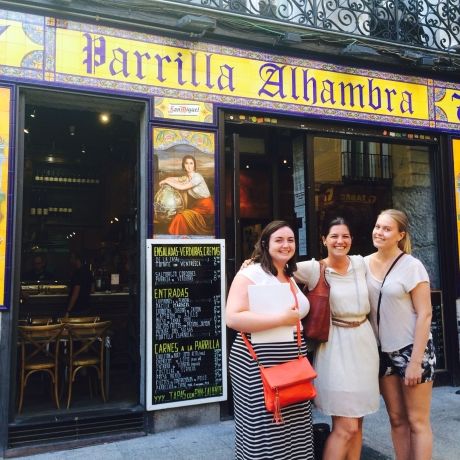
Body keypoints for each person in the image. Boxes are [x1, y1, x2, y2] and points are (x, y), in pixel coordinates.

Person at [226, 220, 314, 460]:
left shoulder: (288, 273)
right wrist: (281, 319)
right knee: (264, 427)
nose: (286, 245)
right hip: (257, 362)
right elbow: (232, 318)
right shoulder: (251, 273)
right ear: (265, 243)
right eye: (279, 240)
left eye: (290, 240)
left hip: (293, 362)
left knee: (295, 426)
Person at [294, 217, 380, 460]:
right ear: (324, 240)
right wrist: (251, 263)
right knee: (346, 427)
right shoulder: (315, 269)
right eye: (334, 236)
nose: (340, 241)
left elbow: (388, 259)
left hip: (364, 345)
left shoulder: (361, 264)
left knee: (358, 424)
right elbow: (278, 267)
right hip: (334, 349)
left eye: (345, 236)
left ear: (351, 239)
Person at [364, 209, 435, 460]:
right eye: (377, 226)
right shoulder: (363, 263)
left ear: (400, 235)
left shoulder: (412, 267)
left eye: (386, 229)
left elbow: (425, 314)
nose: (379, 232)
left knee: (417, 421)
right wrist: (258, 261)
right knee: (396, 419)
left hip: (411, 350)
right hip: (382, 352)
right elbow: (328, 265)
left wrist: (415, 362)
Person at [159, 155, 214, 235]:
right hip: (198, 206)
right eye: (186, 163)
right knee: (180, 216)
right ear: (183, 165)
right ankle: (179, 239)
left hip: (207, 208)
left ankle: (178, 238)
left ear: (194, 165)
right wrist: (165, 180)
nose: (189, 166)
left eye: (191, 163)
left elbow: (182, 187)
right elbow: (176, 179)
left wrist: (166, 182)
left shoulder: (197, 177)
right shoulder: (186, 178)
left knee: (180, 217)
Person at [65, 252, 94, 317]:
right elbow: (92, 289)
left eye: (71, 258)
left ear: (77, 259)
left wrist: (68, 310)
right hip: (86, 307)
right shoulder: (88, 271)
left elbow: (75, 293)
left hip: (77, 309)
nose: (70, 260)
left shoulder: (77, 273)